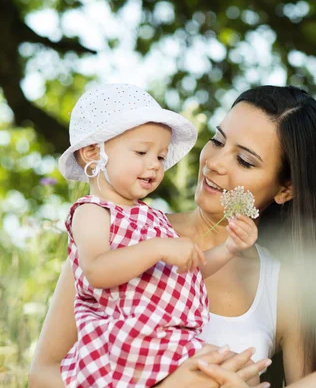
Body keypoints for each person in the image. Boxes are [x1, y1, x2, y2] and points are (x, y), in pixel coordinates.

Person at [29, 85, 316, 387]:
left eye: (245, 161)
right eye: (217, 140)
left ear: (285, 189)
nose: (215, 163)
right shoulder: (121, 234)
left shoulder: (284, 285)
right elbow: (42, 375)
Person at [55, 83, 260, 387]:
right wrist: (158, 248)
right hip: (126, 340)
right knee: (223, 373)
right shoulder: (93, 212)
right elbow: (96, 270)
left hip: (164, 339)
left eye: (161, 157)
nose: (154, 164)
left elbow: (189, 269)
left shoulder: (150, 218)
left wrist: (229, 248)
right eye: (141, 152)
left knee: (244, 371)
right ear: (92, 153)